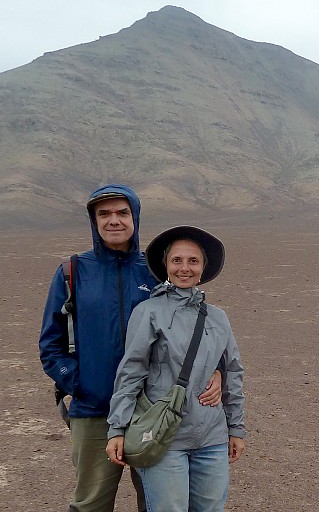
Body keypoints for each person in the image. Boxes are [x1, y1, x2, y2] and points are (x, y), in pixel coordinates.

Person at [39, 185, 222, 512]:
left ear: (135, 217)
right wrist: (80, 384)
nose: (114, 220)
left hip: (153, 412)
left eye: (122, 212)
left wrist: (216, 370)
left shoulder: (155, 271)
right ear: (94, 221)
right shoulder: (73, 271)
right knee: (91, 504)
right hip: (94, 412)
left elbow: (193, 327)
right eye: (104, 214)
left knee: (156, 502)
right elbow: (50, 344)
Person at [106, 225, 246, 512]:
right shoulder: (149, 312)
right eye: (177, 260)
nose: (185, 268)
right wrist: (117, 428)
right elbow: (131, 372)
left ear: (203, 268)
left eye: (193, 261)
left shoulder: (217, 317)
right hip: (165, 437)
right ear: (166, 266)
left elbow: (232, 371)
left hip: (212, 437)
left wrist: (236, 428)